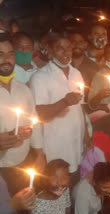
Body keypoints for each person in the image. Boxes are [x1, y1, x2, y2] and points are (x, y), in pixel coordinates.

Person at [29, 35, 88, 189]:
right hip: (54, 148)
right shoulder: (40, 77)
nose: (65, 52)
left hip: (75, 146)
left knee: (73, 185)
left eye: (68, 48)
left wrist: (87, 135)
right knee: (54, 192)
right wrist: (64, 102)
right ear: (50, 50)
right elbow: (39, 114)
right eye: (59, 48)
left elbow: (81, 107)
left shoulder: (76, 74)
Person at [0, 33, 44, 196]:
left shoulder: (23, 89)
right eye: (0, 54)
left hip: (23, 165)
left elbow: (34, 120)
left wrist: (39, 154)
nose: (6, 59)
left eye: (10, 53)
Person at [69, 33, 99, 101]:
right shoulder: (63, 65)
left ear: (85, 45)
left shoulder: (93, 67)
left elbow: (95, 91)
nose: (77, 45)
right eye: (73, 42)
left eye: (80, 42)